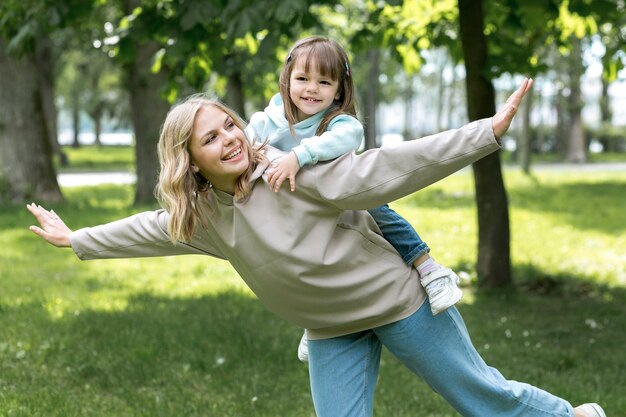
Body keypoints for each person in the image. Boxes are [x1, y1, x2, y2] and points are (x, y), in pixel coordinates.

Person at [27, 78, 606, 417]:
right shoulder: (204, 218)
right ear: (191, 160)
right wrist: (76, 238)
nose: (230, 138)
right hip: (330, 331)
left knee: (480, 396)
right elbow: (146, 229)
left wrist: (487, 133)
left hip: (398, 303)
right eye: (211, 137)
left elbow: (392, 166)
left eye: (229, 125)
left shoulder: (290, 172)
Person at [245, 36, 462, 362]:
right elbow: (247, 145)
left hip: (344, 197)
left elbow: (348, 138)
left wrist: (299, 156)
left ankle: (428, 268)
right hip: (299, 208)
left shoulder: (337, 121)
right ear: (287, 79)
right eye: (302, 78)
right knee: (303, 258)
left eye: (324, 81)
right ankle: (313, 318)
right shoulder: (269, 120)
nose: (311, 89)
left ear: (339, 89)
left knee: (380, 211)